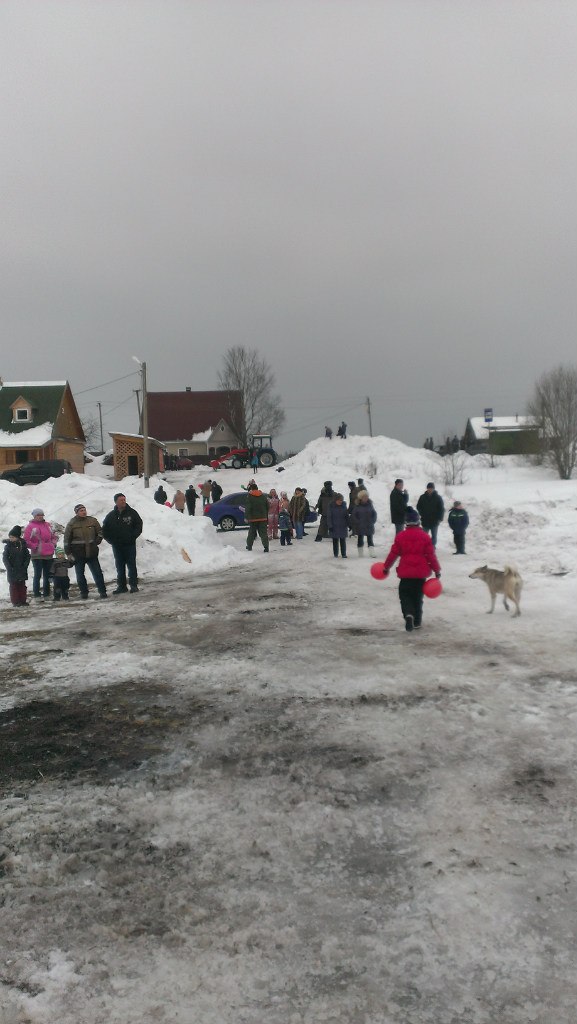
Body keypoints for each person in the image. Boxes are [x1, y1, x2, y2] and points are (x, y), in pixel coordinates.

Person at [382, 507, 441, 632]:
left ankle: (408, 614)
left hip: (406, 573)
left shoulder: (401, 536)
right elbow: (431, 555)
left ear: (406, 522)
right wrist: (437, 570)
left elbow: (393, 554)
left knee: (405, 595)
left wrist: (386, 567)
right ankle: (417, 621)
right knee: (418, 597)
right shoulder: (425, 537)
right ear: (418, 522)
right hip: (420, 574)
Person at [64, 503, 108, 599]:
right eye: (81, 510)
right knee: (80, 574)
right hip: (78, 553)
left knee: (97, 573)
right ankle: (84, 592)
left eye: (84, 510)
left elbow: (100, 532)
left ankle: (102, 591)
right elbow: (67, 540)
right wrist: (68, 553)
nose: (83, 512)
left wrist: (98, 540)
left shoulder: (92, 521)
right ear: (76, 512)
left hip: (92, 552)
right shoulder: (72, 524)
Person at [102, 493, 143, 593]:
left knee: (131, 565)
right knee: (120, 567)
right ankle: (122, 586)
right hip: (117, 546)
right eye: (121, 500)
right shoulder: (111, 515)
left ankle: (133, 585)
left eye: (124, 499)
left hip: (129, 545)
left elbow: (139, 525)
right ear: (116, 502)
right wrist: (111, 540)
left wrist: (133, 536)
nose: (123, 501)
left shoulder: (132, 513)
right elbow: (104, 529)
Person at [23, 508, 58, 601]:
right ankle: (37, 594)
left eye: (41, 515)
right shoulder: (30, 526)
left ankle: (47, 593)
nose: (40, 516)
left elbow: (54, 536)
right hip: (37, 555)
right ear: (34, 516)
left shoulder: (48, 525)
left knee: (48, 574)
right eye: (38, 515)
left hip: (49, 554)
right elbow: (26, 540)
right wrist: (35, 546)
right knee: (37, 575)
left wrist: (53, 543)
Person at [3, 525, 30, 606]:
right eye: (10, 537)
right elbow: (5, 558)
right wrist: (9, 567)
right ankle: (15, 601)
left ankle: (23, 600)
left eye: (13, 537)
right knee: (14, 586)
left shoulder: (23, 545)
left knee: (22, 586)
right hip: (12, 569)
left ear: (17, 537)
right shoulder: (8, 546)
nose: (11, 539)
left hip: (22, 568)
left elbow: (27, 556)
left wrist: (25, 565)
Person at [416, 483, 445, 548]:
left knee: (434, 535)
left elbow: (442, 509)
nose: (430, 489)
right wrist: (422, 513)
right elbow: (418, 506)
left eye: (431, 488)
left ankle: (432, 547)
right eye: (429, 488)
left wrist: (440, 518)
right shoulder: (422, 497)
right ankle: (424, 547)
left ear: (433, 489)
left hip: (434, 520)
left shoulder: (438, 497)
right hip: (425, 519)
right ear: (427, 488)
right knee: (424, 535)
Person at [351, 489, 377, 555]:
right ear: (360, 498)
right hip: (360, 526)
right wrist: (358, 522)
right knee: (360, 539)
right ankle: (360, 553)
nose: (366, 498)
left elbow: (374, 513)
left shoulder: (370, 505)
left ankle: (372, 553)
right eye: (364, 497)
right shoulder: (357, 506)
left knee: (370, 539)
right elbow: (354, 515)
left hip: (369, 525)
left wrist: (373, 520)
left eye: (367, 497)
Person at [244, 483, 269, 552]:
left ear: (251, 489)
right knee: (263, 533)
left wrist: (246, 517)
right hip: (263, 518)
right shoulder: (263, 496)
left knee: (251, 533)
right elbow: (267, 506)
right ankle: (266, 547)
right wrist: (265, 514)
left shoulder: (250, 496)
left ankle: (249, 546)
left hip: (253, 518)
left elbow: (248, 507)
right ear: (257, 488)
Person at [327, 493, 350, 558]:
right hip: (334, 526)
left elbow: (346, 516)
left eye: (341, 500)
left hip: (342, 526)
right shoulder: (331, 506)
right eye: (339, 500)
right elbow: (329, 517)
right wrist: (330, 526)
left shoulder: (344, 506)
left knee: (343, 541)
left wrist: (349, 524)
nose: (340, 501)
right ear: (335, 500)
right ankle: (336, 554)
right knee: (335, 541)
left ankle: (343, 554)